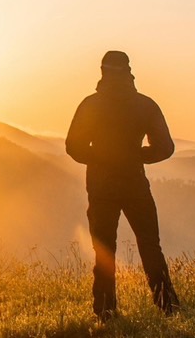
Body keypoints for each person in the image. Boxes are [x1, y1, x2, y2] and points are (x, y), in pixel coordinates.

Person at [65, 50, 180, 318]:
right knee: (150, 245)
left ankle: (105, 311)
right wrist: (136, 155)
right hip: (135, 184)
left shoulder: (90, 105)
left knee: (104, 249)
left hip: (101, 186)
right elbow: (165, 147)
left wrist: (101, 157)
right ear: (128, 71)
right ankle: (168, 306)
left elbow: (73, 147)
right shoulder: (145, 105)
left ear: (103, 72)